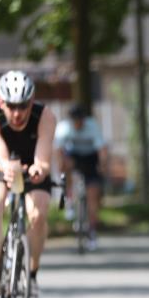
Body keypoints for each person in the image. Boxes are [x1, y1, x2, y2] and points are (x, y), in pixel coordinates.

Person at [0, 71, 57, 298]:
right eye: (11, 106)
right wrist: (6, 167)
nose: (17, 113)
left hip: (32, 166)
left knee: (38, 212)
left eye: (23, 106)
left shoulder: (45, 116)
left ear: (31, 102)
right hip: (2, 164)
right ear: (1, 102)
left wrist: (39, 168)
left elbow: (43, 157)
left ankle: (31, 275)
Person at [54, 104, 107, 250]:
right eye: (75, 120)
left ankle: (92, 231)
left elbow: (102, 150)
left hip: (91, 158)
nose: (77, 123)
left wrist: (102, 165)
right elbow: (58, 150)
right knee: (66, 164)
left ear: (84, 119)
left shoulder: (92, 126)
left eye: (80, 120)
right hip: (74, 156)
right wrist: (60, 165)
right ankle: (69, 199)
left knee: (92, 197)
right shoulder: (64, 128)